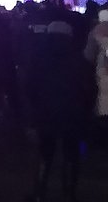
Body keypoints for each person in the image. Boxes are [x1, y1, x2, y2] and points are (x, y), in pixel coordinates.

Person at [27, 19, 93, 200]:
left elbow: (29, 87)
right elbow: (89, 89)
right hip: (73, 115)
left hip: (45, 114)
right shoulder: (79, 59)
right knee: (71, 155)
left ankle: (39, 192)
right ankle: (69, 194)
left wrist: (33, 112)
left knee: (44, 155)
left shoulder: (38, 58)